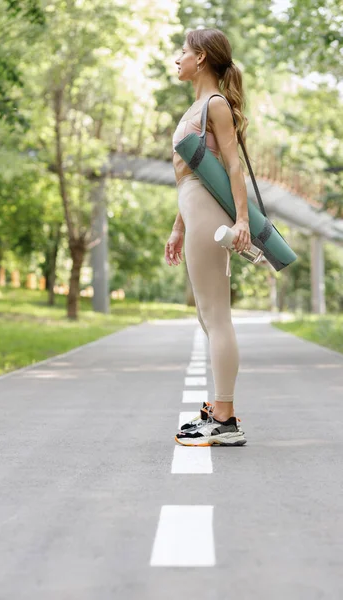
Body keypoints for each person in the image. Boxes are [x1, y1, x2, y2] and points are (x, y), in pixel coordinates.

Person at [165, 28, 250, 446]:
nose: (177, 58)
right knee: (207, 314)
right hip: (194, 211)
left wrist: (243, 222)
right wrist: (179, 226)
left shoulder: (214, 104)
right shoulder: (196, 107)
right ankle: (221, 411)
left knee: (217, 315)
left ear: (200, 59)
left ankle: (226, 418)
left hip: (209, 214)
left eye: (183, 51)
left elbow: (233, 167)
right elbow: (192, 173)